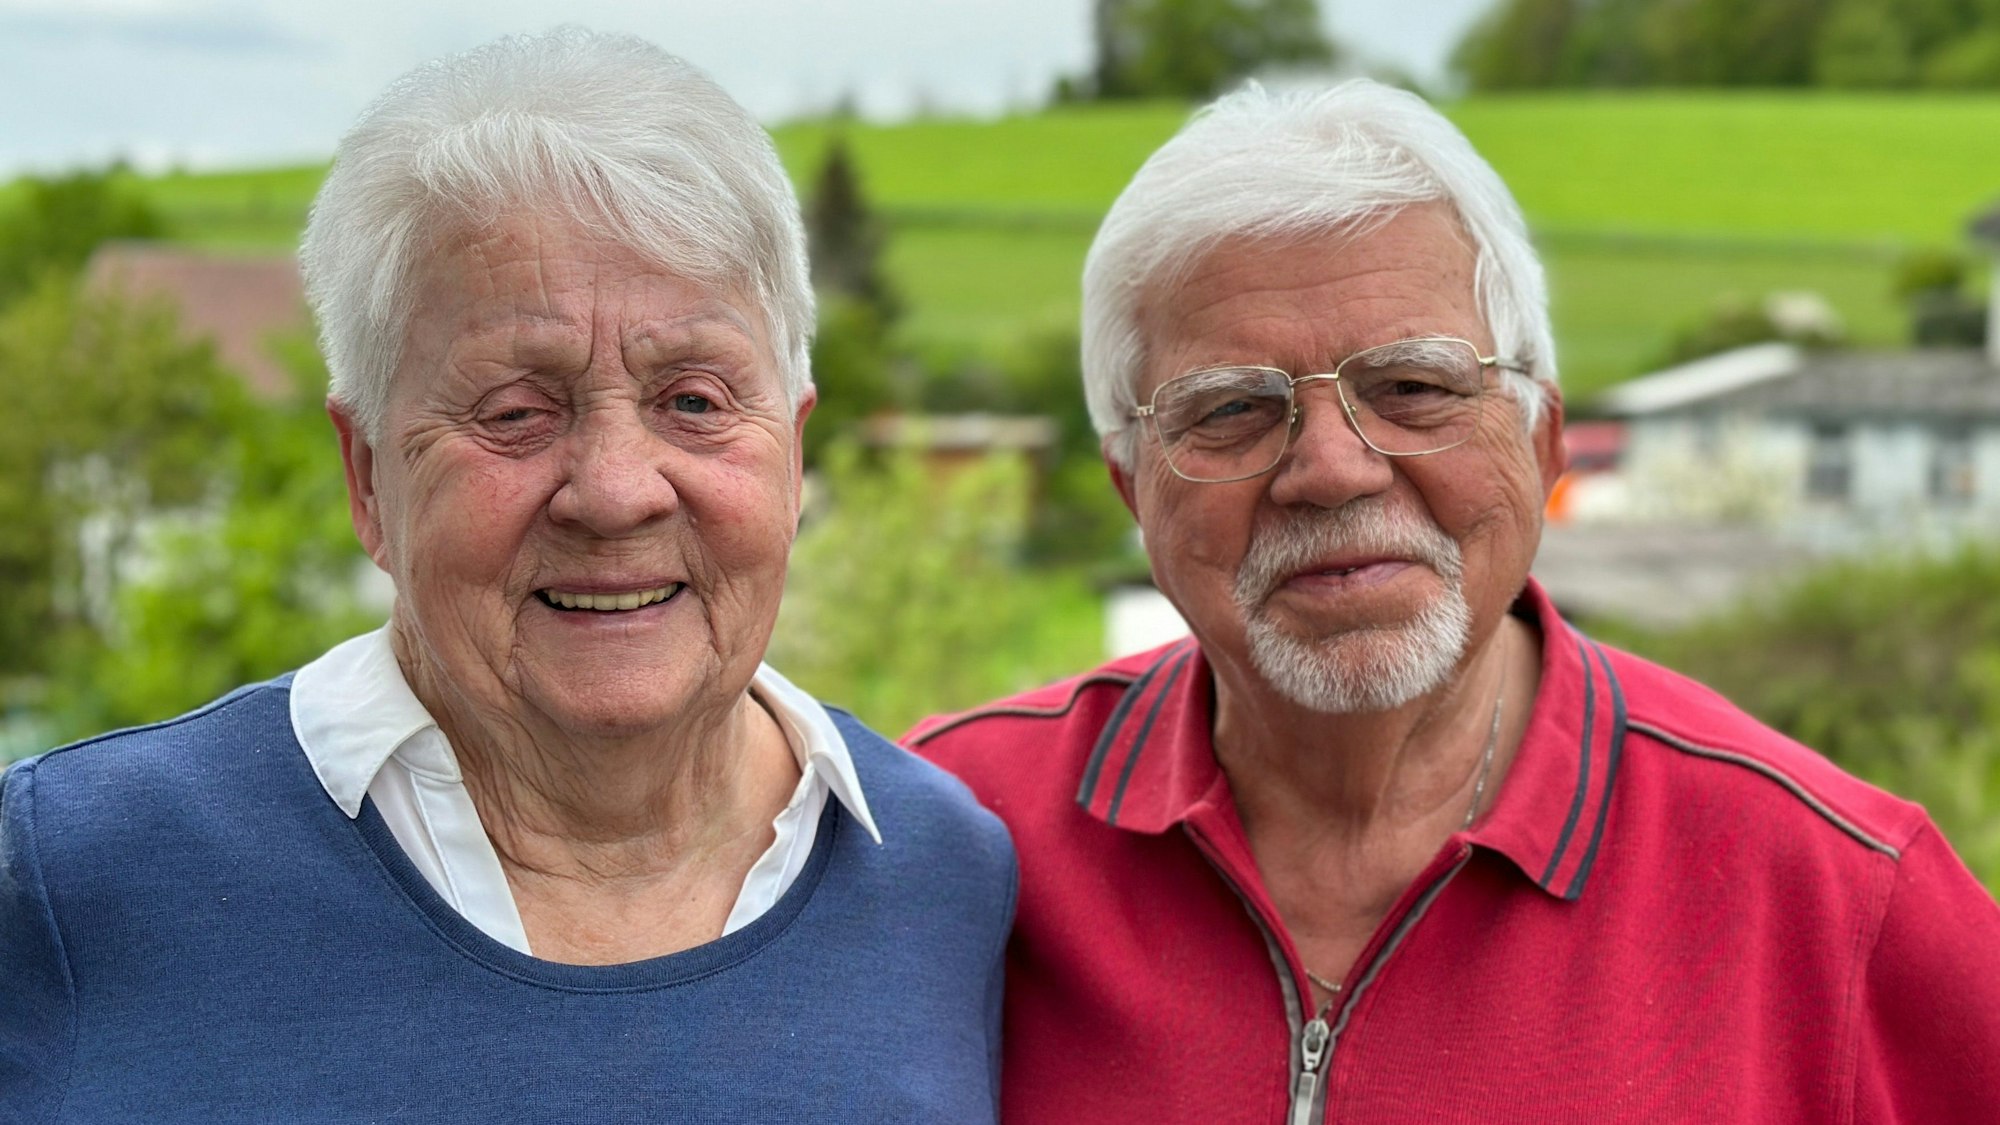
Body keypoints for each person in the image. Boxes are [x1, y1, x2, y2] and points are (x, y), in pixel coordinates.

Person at [907, 80, 2000, 1124]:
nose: (1330, 470)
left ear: (1542, 441)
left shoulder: (1839, 895)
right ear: (1131, 490)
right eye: (1233, 409)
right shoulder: (931, 845)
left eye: (1413, 388)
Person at [0, 29, 1011, 1123]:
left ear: (794, 452)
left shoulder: (938, 871)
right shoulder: (68, 874)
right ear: (367, 474)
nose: (617, 490)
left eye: (695, 402)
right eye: (515, 412)